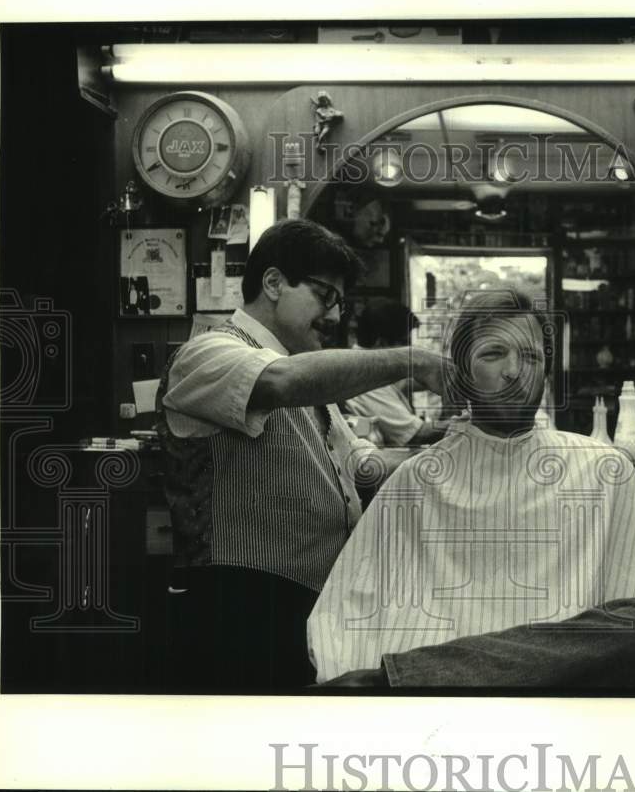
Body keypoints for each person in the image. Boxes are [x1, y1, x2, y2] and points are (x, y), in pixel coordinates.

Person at [307, 289, 635, 690]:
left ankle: (414, 676)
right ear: (461, 371)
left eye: (529, 356)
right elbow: (344, 618)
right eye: (493, 354)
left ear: (545, 369)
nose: (513, 370)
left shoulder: (603, 470)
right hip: (446, 706)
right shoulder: (416, 481)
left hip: (558, 694)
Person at [155, 218, 452, 691]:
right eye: (324, 296)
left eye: (340, 301)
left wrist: (457, 451)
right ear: (272, 282)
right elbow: (281, 382)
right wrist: (413, 361)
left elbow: (363, 468)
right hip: (235, 605)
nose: (334, 316)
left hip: (306, 605)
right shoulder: (207, 353)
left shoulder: (317, 381)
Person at [344, 298, 456, 446]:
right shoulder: (362, 375)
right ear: (381, 343)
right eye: (404, 343)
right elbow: (417, 434)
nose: (409, 351)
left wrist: (451, 374)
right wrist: (469, 422)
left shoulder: (378, 368)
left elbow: (408, 382)